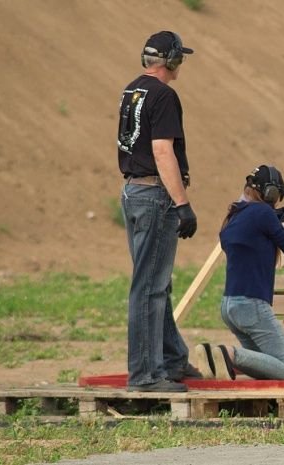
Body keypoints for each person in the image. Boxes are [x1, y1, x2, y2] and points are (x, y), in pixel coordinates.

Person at [195, 165, 284, 380]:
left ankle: (215, 360)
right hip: (252, 306)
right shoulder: (264, 213)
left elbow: (274, 219)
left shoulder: (234, 215)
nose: (278, 200)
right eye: (278, 195)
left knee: (265, 366)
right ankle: (229, 354)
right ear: (270, 192)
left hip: (229, 306)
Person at [117, 31, 202, 392]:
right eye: (178, 57)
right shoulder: (164, 94)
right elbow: (162, 150)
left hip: (134, 191)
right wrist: (182, 204)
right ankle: (146, 375)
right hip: (155, 196)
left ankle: (171, 359)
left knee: (155, 283)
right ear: (170, 60)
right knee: (150, 288)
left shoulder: (132, 90)